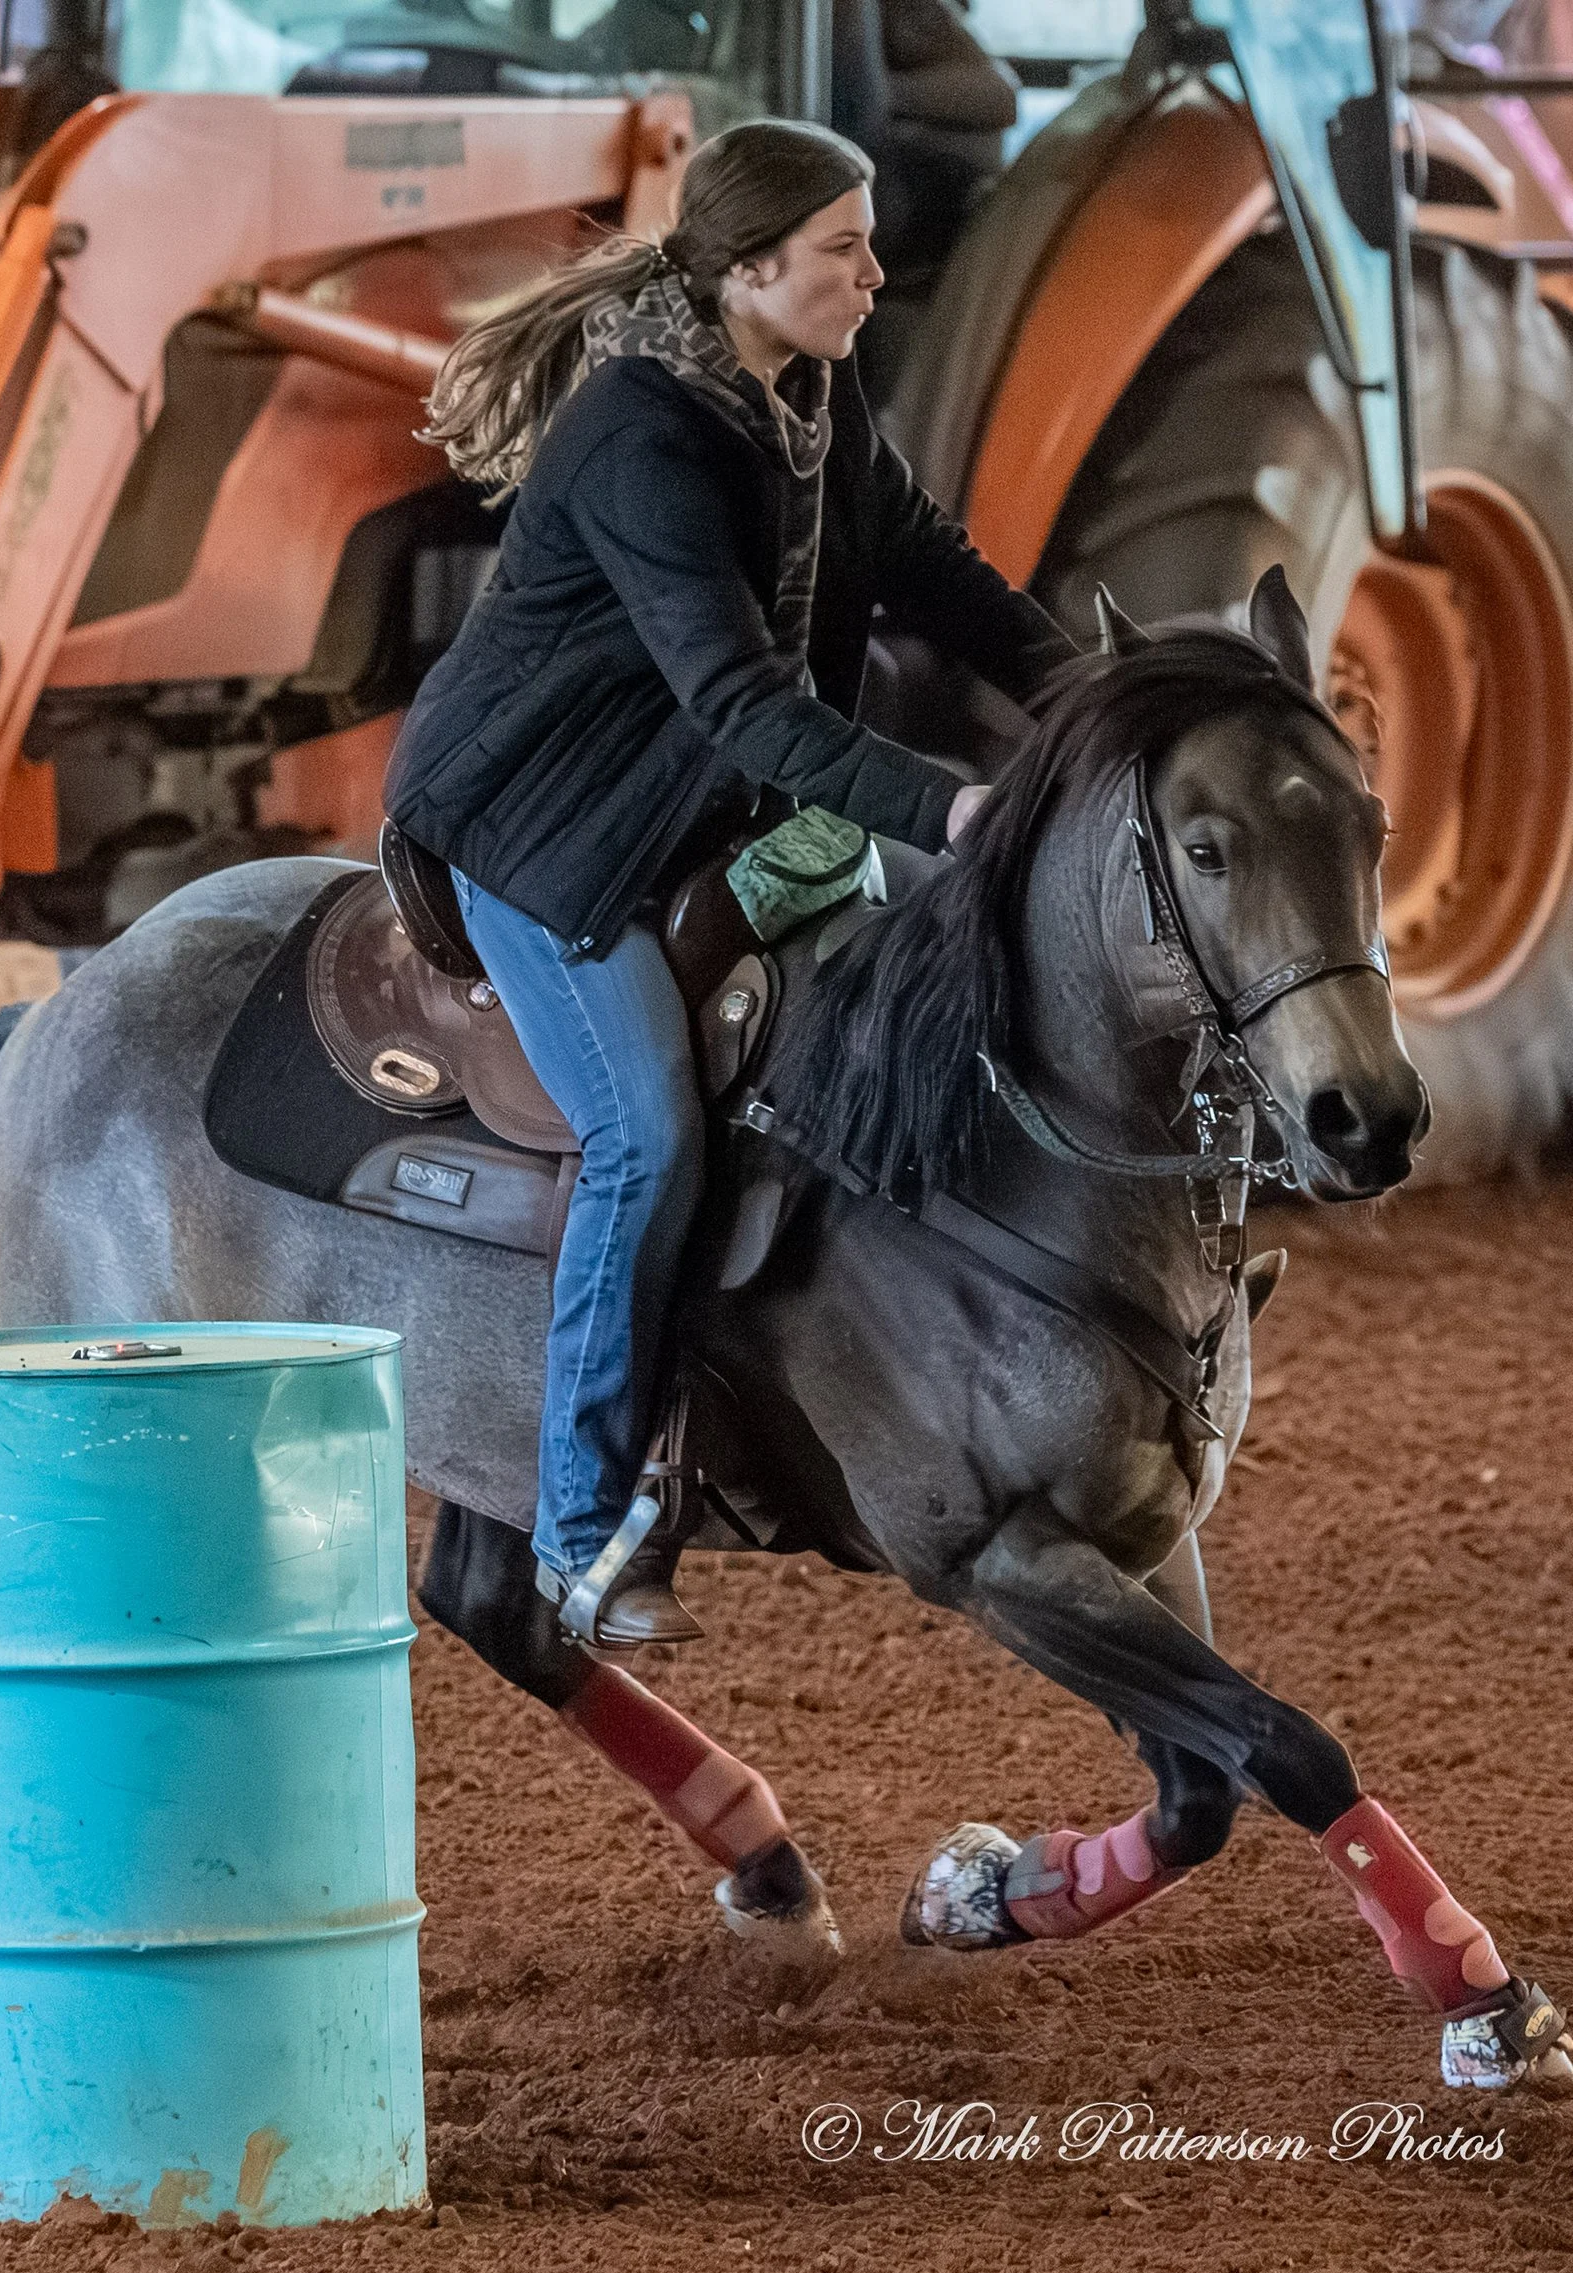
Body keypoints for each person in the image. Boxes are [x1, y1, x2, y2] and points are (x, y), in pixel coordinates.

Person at [385, 118, 1076, 1648]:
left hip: (701, 810)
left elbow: (942, 574)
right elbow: (744, 702)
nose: (877, 274)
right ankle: (579, 1528)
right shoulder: (645, 437)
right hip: (542, 828)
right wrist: (944, 805)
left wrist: (1110, 700)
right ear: (752, 268)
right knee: (646, 1131)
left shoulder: (808, 395)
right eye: (846, 249)